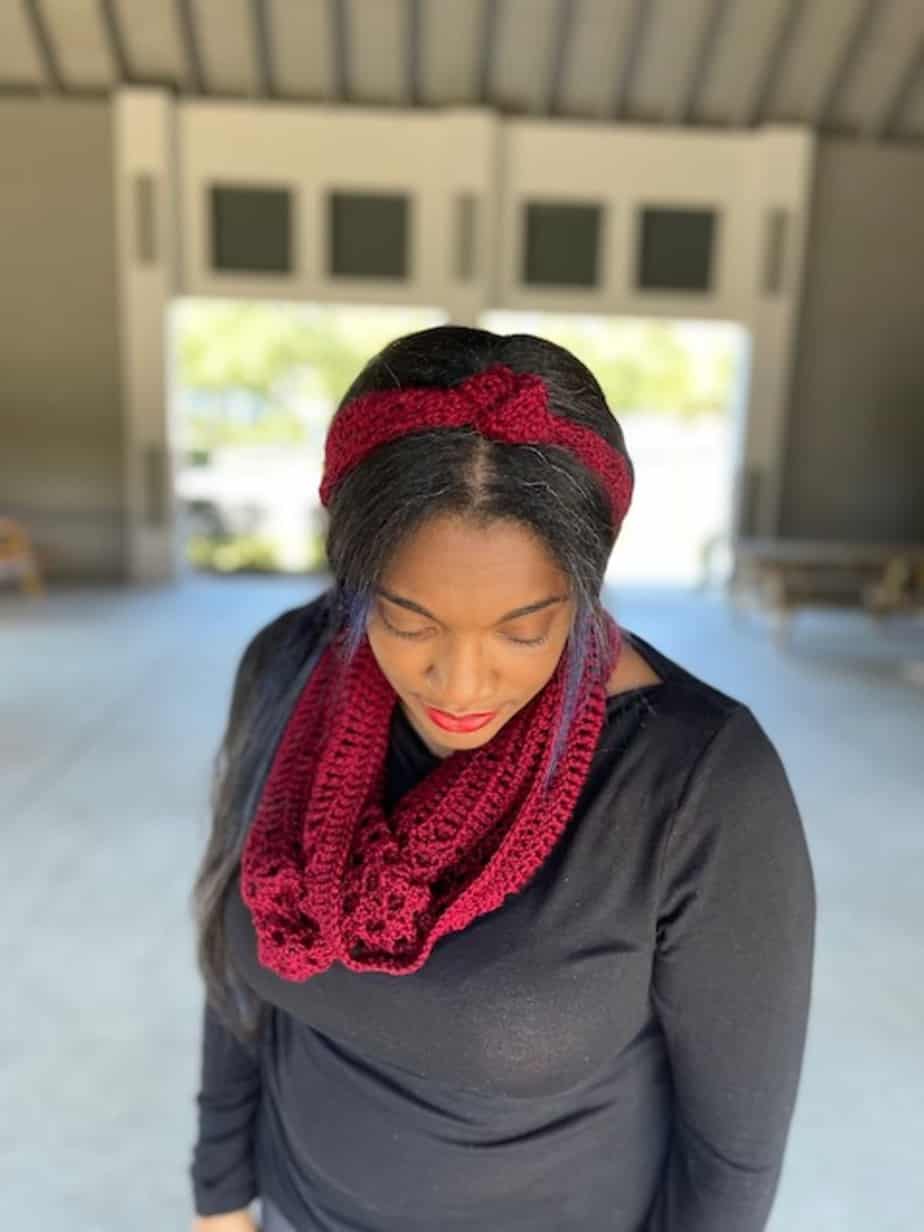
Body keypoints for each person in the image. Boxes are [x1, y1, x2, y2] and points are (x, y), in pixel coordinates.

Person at [188, 325, 816, 1232]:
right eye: (407, 621)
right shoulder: (287, 667)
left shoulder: (701, 784)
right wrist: (220, 1201)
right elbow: (234, 973)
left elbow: (733, 1150)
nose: (462, 683)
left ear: (587, 588)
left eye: (524, 631)